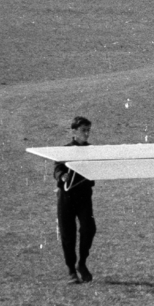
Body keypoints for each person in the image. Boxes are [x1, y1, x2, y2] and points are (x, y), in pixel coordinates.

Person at [55, 116, 97, 283]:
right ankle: (71, 270)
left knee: (89, 228)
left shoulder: (92, 149)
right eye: (83, 131)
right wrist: (62, 175)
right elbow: (57, 169)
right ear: (73, 132)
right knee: (68, 233)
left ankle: (82, 263)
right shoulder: (65, 150)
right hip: (66, 197)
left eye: (88, 131)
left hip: (84, 196)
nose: (86, 134)